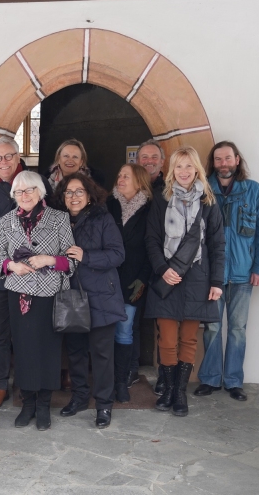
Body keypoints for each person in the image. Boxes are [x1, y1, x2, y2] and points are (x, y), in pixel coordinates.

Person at [0, 136, 53, 409]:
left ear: (18, 157)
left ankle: (30, 384)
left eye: (8, 156)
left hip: (33, 274)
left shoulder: (36, 183)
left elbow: (50, 221)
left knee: (30, 331)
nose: (3, 162)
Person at [144, 146, 225, 417]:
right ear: (172, 171)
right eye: (179, 166)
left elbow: (217, 246)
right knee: (167, 339)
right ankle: (167, 389)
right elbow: (152, 240)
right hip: (168, 276)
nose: (184, 172)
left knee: (189, 339)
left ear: (197, 170)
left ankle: (180, 393)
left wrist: (217, 282)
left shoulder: (208, 203)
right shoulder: (161, 200)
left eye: (189, 166)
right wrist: (162, 268)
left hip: (198, 278)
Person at [0, 171, 75, 430]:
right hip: (18, 294)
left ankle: (43, 405)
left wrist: (49, 260)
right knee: (24, 348)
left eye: (29, 190)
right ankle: (27, 402)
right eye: (19, 192)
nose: (24, 195)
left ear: (40, 192)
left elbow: (72, 260)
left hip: (50, 293)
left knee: (48, 349)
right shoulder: (6, 221)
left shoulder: (60, 218)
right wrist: (10, 266)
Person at [195, 141, 259, 401]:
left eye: (228, 158)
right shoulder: (204, 191)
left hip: (243, 273)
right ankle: (209, 379)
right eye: (218, 159)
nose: (223, 164)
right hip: (212, 275)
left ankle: (233, 381)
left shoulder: (254, 192)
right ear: (213, 163)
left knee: (238, 328)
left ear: (237, 160)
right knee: (212, 328)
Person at [52, 174, 126, 428]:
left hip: (101, 297)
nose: (74, 197)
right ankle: (80, 397)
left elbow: (118, 254)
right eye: (68, 192)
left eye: (79, 191)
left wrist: (86, 256)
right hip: (70, 296)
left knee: (102, 354)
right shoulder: (56, 222)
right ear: (62, 197)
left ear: (89, 194)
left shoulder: (102, 218)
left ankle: (104, 404)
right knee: (75, 351)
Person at [106, 164, 153, 403]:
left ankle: (121, 382)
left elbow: (151, 248)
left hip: (132, 281)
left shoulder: (149, 209)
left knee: (124, 332)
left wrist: (142, 280)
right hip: (106, 280)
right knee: (104, 332)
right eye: (120, 174)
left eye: (126, 176)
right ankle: (106, 381)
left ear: (140, 181)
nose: (120, 178)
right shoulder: (109, 204)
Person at [134, 139, 166, 393]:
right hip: (137, 266)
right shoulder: (131, 188)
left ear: (162, 162)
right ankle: (131, 370)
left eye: (153, 157)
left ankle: (164, 373)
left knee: (163, 323)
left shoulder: (171, 189)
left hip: (165, 267)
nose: (149, 161)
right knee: (131, 320)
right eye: (144, 157)